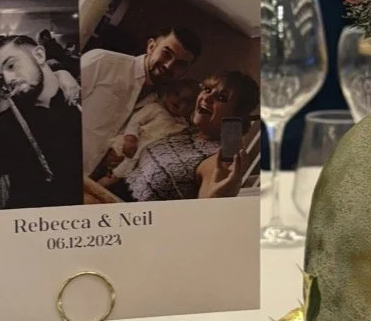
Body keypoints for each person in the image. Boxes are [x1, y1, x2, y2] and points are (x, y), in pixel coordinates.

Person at [113, 71, 257, 203]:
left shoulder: (217, 158)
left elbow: (206, 209)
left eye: (221, 97)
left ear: (237, 115)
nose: (206, 97)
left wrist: (216, 199)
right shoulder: (187, 130)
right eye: (207, 89)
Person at [0, 34, 82, 210]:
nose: (9, 79)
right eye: (1, 78)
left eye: (11, 65)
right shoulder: (6, 126)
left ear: (40, 55)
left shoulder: (78, 99)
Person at [80, 26, 200, 179]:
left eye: (180, 64)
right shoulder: (103, 61)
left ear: (186, 70)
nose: (169, 65)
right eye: (166, 54)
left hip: (91, 180)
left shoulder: (165, 103)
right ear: (151, 46)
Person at [96, 79, 199, 188]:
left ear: (192, 108)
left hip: (141, 159)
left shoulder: (182, 126)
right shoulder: (156, 108)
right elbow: (135, 121)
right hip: (130, 146)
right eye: (177, 94)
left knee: (117, 180)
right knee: (107, 170)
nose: (179, 100)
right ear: (169, 93)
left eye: (186, 101)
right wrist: (131, 137)